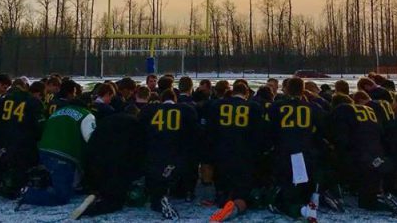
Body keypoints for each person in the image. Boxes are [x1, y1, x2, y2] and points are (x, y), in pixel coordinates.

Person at [326, 93, 397, 218]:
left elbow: (341, 140)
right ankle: (386, 199)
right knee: (367, 201)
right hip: (376, 157)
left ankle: (334, 193)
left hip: (358, 159)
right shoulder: (368, 110)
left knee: (329, 161)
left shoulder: (341, 111)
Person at [18, 79, 96, 207]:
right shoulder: (87, 115)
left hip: (44, 150)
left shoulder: (59, 111)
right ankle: (29, 194)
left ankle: (42, 186)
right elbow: (91, 139)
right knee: (62, 196)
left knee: (61, 181)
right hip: (63, 155)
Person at [204, 80, 265, 221]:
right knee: (242, 195)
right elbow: (259, 135)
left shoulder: (217, 105)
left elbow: (210, 132)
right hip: (244, 156)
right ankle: (234, 208)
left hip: (221, 154)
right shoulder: (254, 107)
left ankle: (223, 199)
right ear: (247, 93)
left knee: (223, 190)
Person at [267, 77, 327, 221]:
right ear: (303, 89)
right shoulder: (313, 107)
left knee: (286, 192)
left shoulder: (276, 107)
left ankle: (300, 210)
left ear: (286, 89)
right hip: (305, 151)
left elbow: (268, 130)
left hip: (284, 151)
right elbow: (323, 130)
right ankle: (312, 199)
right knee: (301, 185)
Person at [138, 89, 199, 220]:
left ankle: (158, 196)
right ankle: (185, 192)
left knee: (156, 182)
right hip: (178, 155)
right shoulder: (187, 110)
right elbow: (193, 136)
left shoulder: (149, 110)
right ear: (175, 99)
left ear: (161, 99)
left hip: (156, 156)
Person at [78, 102, 147, 217]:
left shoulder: (108, 120)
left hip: (96, 159)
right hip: (116, 162)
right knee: (115, 201)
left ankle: (97, 194)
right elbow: (138, 150)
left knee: (106, 185)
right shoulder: (135, 124)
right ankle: (93, 209)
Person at [0, 80, 47, 201]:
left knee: (5, 161)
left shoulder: (2, 100)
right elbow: (38, 124)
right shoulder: (33, 101)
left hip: (4, 136)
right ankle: (15, 188)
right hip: (24, 138)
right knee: (22, 165)